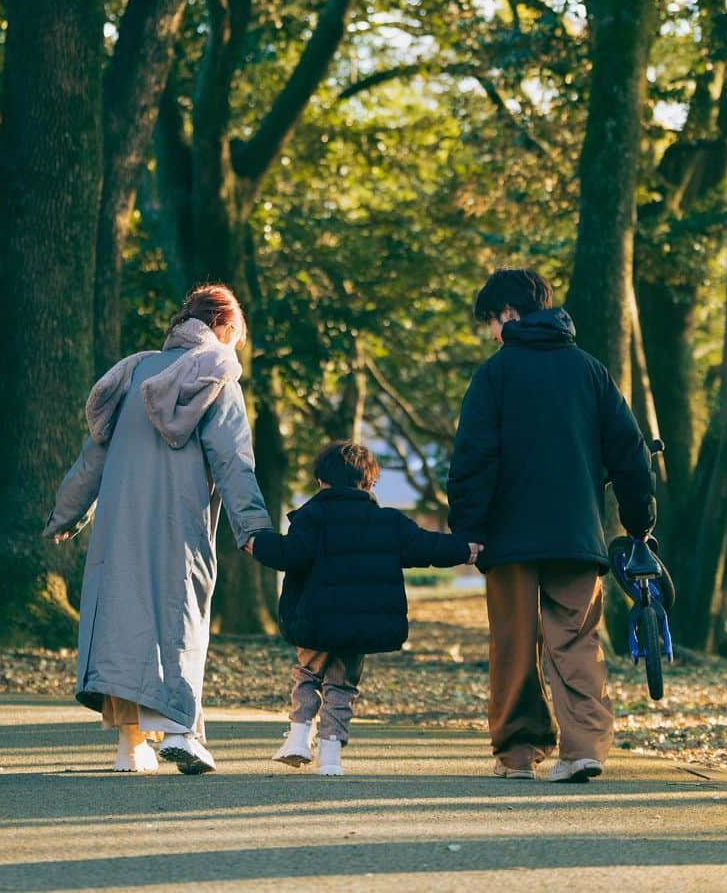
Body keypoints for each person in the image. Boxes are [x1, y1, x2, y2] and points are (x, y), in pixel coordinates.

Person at [43, 284, 274, 775]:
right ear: (226, 329)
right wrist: (252, 527)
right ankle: (181, 734)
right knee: (179, 617)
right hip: (180, 521)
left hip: (118, 521)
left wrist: (67, 513)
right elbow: (234, 461)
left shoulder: (131, 372)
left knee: (122, 626)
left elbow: (94, 456)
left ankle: (130, 748)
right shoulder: (220, 373)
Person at [447, 268, 655, 784]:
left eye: (492, 322)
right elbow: (630, 454)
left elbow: (474, 457)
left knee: (514, 643)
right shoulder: (591, 371)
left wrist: (468, 529)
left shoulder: (495, 375)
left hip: (508, 536)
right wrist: (638, 522)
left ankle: (519, 754)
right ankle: (583, 748)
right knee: (577, 639)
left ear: (510, 316)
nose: (493, 333)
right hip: (575, 534)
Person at [245, 441, 480, 776]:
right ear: (369, 483)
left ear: (320, 482)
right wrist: (464, 549)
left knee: (308, 674)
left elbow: (290, 554)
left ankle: (298, 736)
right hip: (359, 626)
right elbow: (426, 546)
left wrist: (258, 544)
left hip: (315, 620)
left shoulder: (312, 516)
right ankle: (330, 756)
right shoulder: (387, 522)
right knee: (342, 685)